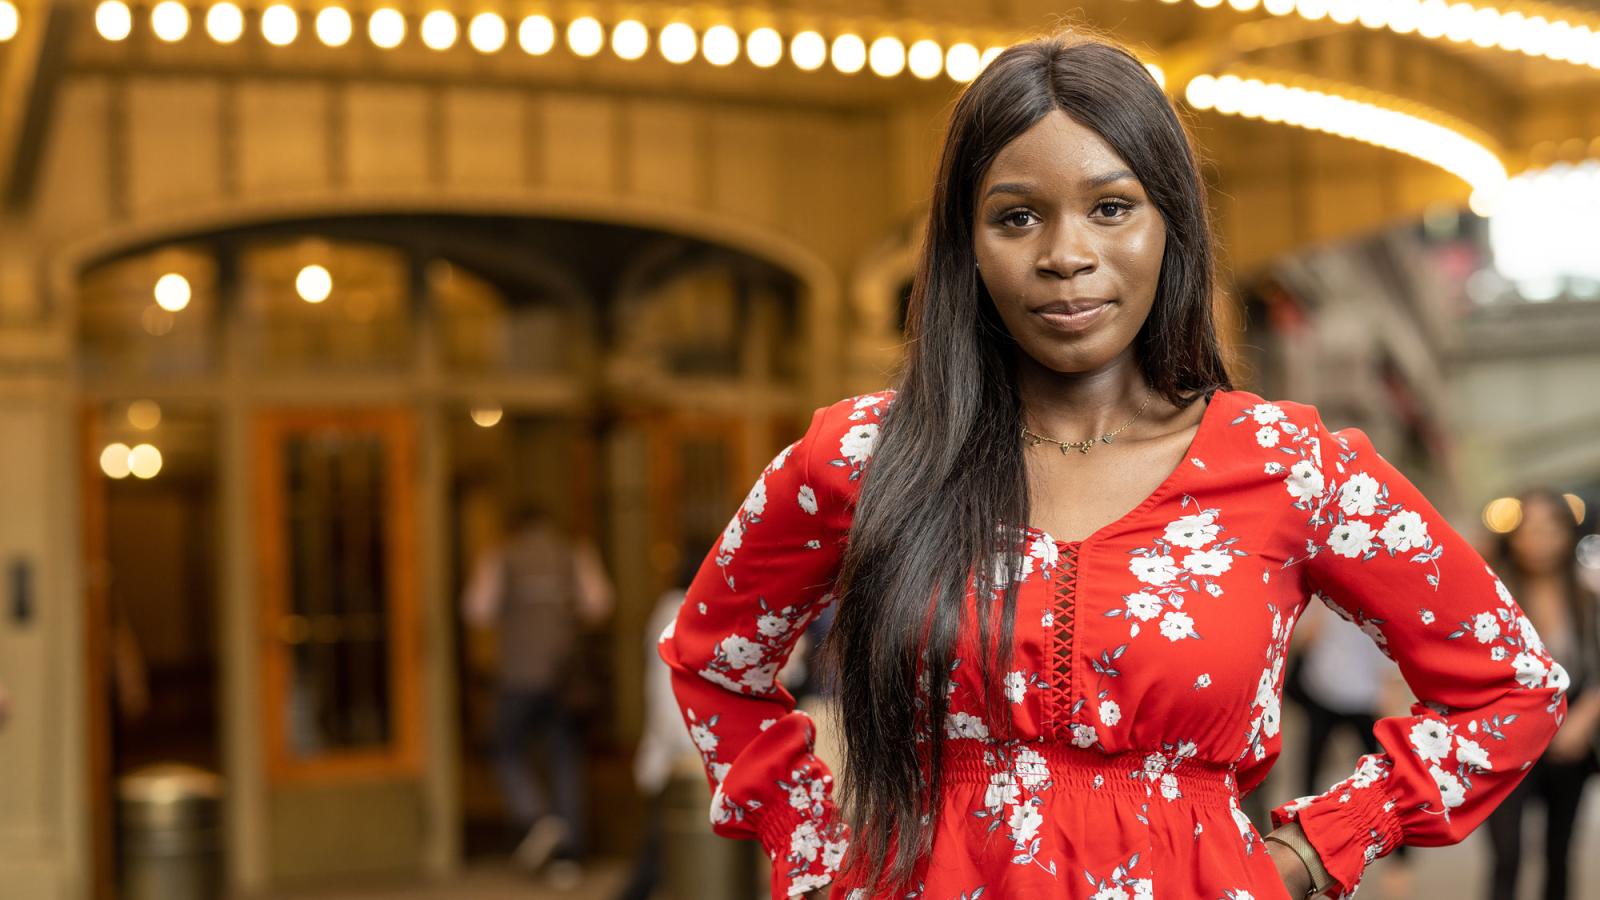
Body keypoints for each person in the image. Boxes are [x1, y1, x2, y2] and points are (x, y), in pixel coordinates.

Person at [656, 31, 1569, 900]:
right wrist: (811, 837)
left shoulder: (1293, 468)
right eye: (1016, 216)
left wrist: (1312, 850)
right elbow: (711, 660)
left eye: (1111, 206)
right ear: (965, 248)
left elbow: (1512, 685)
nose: (1066, 255)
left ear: (1171, 223)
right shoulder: (863, 454)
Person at [461, 500, 614, 884]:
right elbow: (599, 603)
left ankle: (537, 817)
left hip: (517, 675)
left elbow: (476, 609)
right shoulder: (573, 552)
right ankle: (568, 858)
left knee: (504, 746)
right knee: (565, 757)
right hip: (564, 676)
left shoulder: (502, 555)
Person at [1483, 488, 1600, 900]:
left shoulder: (1587, 596)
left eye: (1550, 527)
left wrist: (1585, 717)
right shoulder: (1490, 594)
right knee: (1506, 857)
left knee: (1559, 856)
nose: (1539, 538)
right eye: (1529, 528)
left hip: (1569, 747)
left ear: (1567, 533)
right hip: (1506, 748)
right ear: (1512, 536)